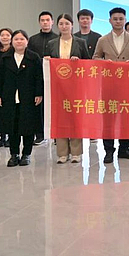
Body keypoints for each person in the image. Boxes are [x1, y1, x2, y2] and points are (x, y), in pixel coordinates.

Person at [93, 7, 129, 163]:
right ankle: (108, 150)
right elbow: (95, 58)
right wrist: (105, 62)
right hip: (108, 84)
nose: (118, 21)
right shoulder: (103, 40)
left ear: (125, 20)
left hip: (128, 84)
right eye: (115, 19)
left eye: (121, 19)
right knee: (108, 117)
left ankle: (124, 148)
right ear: (110, 21)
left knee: (126, 116)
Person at [0, 30, 43, 167]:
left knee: (28, 127)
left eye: (22, 39)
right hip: (10, 97)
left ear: (27, 41)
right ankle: (14, 154)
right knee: (12, 127)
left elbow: (39, 77)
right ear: (12, 42)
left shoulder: (34, 57)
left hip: (28, 98)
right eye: (16, 39)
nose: (19, 42)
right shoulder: (5, 58)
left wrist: (39, 93)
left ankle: (26, 154)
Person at [46, 14, 91, 164]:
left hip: (76, 86)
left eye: (67, 23)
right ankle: (62, 153)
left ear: (72, 25)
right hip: (58, 87)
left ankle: (76, 152)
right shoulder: (52, 43)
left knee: (75, 117)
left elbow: (88, 62)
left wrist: (79, 61)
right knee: (60, 117)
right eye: (61, 24)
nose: (64, 26)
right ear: (57, 26)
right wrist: (47, 60)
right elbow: (48, 62)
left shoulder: (80, 42)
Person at [28, 11, 57, 145]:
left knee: (54, 105)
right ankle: (40, 134)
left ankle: (56, 134)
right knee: (38, 106)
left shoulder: (57, 39)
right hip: (37, 77)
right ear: (39, 22)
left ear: (52, 22)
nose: (45, 23)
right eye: (42, 20)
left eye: (47, 20)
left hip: (54, 78)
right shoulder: (33, 40)